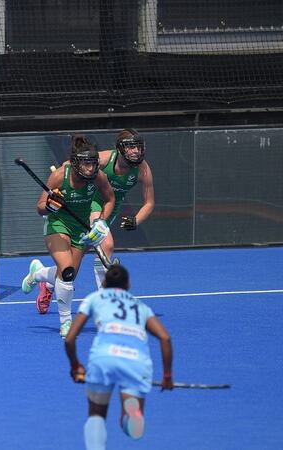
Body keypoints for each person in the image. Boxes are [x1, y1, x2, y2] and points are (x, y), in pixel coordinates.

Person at [33, 129, 155, 311]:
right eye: (130, 147)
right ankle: (104, 304)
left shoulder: (143, 169)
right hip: (91, 201)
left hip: (109, 205)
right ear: (120, 149)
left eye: (137, 146)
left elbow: (149, 203)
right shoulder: (105, 159)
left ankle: (43, 278)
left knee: (70, 272)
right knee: (106, 246)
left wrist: (136, 220)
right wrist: (62, 181)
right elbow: (74, 163)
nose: (135, 151)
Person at [64, 264, 174, 450]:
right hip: (136, 362)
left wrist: (75, 365)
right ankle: (131, 415)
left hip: (103, 358)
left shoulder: (95, 298)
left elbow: (70, 339)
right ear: (128, 285)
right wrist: (167, 376)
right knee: (132, 425)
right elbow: (165, 338)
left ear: (105, 283)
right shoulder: (140, 306)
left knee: (96, 414)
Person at [20, 135, 115, 337]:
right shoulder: (59, 177)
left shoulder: (98, 177)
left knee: (66, 277)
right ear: (75, 163)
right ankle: (66, 323)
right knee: (67, 271)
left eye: (93, 163)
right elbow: (39, 208)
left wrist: (100, 221)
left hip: (80, 229)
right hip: (57, 224)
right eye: (86, 164)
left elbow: (109, 199)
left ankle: (38, 274)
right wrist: (51, 206)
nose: (91, 168)